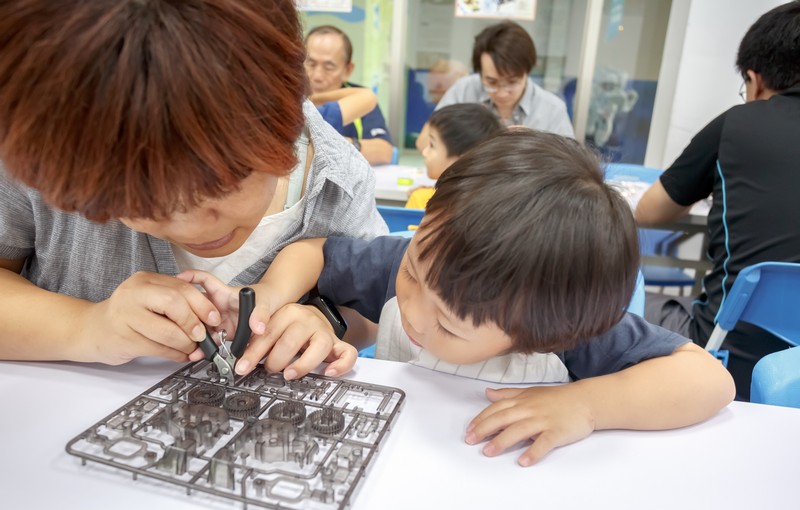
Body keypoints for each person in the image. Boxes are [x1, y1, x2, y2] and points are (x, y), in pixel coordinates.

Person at [235, 129, 734, 466]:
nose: (413, 312)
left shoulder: (559, 327)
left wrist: (586, 405)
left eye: (450, 326)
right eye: (413, 274)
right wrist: (270, 293)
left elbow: (709, 381)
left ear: (539, 335)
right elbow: (315, 251)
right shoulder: (408, 264)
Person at [0, 0, 387, 372]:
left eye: (226, 183)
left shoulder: (338, 183)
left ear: (283, 123)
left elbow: (371, 311)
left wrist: (324, 320)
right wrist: (86, 326)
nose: (193, 229)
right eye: (138, 202)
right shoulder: (51, 139)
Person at [635, 2, 800, 401]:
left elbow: (648, 211)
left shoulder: (739, 124)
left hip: (727, 366)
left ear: (754, 80)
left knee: (634, 307)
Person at [415, 20, 573, 152]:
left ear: (527, 72)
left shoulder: (552, 109)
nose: (502, 93)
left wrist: (531, 146)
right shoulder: (464, 91)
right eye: (492, 82)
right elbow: (424, 142)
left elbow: (570, 167)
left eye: (512, 82)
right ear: (480, 72)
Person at [304, 25, 394, 165]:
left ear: (348, 70)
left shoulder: (359, 100)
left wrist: (340, 145)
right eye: (310, 64)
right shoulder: (287, 97)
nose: (317, 76)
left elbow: (384, 151)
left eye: (329, 67)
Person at [406, 103, 502, 209]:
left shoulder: (423, 200)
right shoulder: (499, 203)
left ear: (462, 159)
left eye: (432, 145)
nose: (425, 152)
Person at [310, 86, 377, 135]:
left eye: (329, 68)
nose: (318, 76)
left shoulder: (309, 118)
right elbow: (367, 96)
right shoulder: (311, 119)